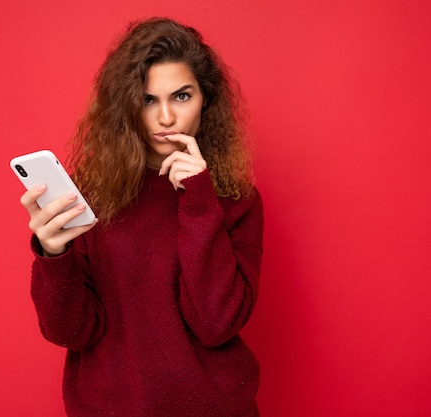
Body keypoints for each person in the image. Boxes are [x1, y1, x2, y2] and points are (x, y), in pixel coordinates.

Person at [19, 17, 263, 417]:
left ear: (206, 99)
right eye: (148, 100)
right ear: (126, 104)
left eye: (182, 97)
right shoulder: (90, 196)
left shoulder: (237, 200)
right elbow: (71, 333)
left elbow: (216, 323)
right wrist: (52, 255)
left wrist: (200, 201)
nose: (165, 117)